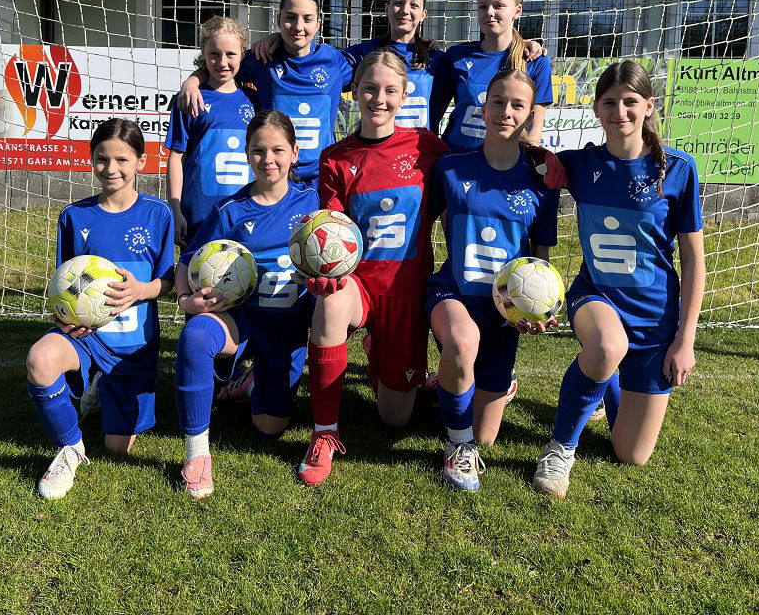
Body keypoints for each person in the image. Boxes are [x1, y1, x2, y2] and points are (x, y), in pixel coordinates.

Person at [533, 60, 705, 499]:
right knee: (608, 345)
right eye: (609, 102)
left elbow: (694, 263)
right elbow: (527, 155)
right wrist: (525, 53)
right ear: (595, 108)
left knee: (631, 454)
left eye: (631, 102)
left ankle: (606, 383)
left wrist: (684, 341)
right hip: (597, 297)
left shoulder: (678, 170)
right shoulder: (579, 165)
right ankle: (560, 449)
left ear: (649, 106)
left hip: (656, 320)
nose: (620, 112)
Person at [298, 49, 449, 486]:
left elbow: (477, 168)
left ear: (404, 96)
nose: (378, 99)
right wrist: (320, 265)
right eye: (369, 88)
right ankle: (325, 431)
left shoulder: (426, 147)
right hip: (359, 283)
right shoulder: (335, 157)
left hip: (407, 290)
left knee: (395, 419)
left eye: (389, 90)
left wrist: (537, 157)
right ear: (354, 93)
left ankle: (382, 357)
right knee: (328, 304)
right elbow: (333, 230)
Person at [25, 118, 175, 499]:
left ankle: (98, 387)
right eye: (102, 159)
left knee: (117, 447)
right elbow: (63, 284)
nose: (112, 169)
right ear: (92, 160)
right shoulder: (75, 216)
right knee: (40, 359)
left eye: (122, 160)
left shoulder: (159, 215)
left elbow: (170, 281)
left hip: (134, 349)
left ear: (141, 161)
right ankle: (70, 447)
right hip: (86, 337)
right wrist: (61, 316)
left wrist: (143, 290)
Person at [426, 69, 560, 491]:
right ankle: (457, 447)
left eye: (517, 104)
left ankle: (476, 385)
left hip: (503, 314)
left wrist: (539, 310)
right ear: (483, 109)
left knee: (488, 433)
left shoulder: (541, 181)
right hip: (453, 293)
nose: (505, 111)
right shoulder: (449, 166)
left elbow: (540, 263)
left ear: (529, 114)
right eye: (497, 102)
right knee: (462, 343)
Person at [173, 111, 318, 498]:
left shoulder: (314, 202)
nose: (268, 160)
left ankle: (246, 380)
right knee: (196, 336)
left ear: (295, 153)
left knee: (268, 429)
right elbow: (188, 260)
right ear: (247, 154)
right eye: (258, 150)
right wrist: (187, 298)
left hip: (287, 329)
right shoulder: (229, 210)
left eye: (277, 150)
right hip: (239, 319)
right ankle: (197, 456)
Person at [179, 0, 354, 185]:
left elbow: (378, 64)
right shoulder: (263, 58)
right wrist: (193, 80)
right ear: (278, 20)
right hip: (275, 178)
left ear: (318, 24)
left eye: (307, 19)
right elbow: (223, 65)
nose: (298, 26)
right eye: (290, 17)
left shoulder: (333, 61)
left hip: (321, 179)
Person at [254, 0, 444, 131]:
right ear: (386, 8)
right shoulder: (367, 52)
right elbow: (315, 60)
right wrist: (280, 38)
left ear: (424, 13)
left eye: (414, 5)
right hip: (378, 149)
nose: (405, 10)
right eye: (398, 3)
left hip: (421, 155)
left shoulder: (438, 59)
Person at [431, 0, 553, 150]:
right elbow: (433, 116)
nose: (489, 12)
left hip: (505, 164)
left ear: (517, 11)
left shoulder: (535, 60)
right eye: (482, 6)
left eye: (498, 5)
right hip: (457, 158)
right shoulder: (456, 56)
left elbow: (534, 130)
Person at [166, 15, 256, 246]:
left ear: (242, 55)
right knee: (198, 277)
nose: (222, 62)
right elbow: (176, 157)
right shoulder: (189, 99)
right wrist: (175, 208)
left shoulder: (255, 99)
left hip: (245, 211)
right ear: (203, 54)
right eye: (214, 54)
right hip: (199, 214)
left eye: (230, 54)